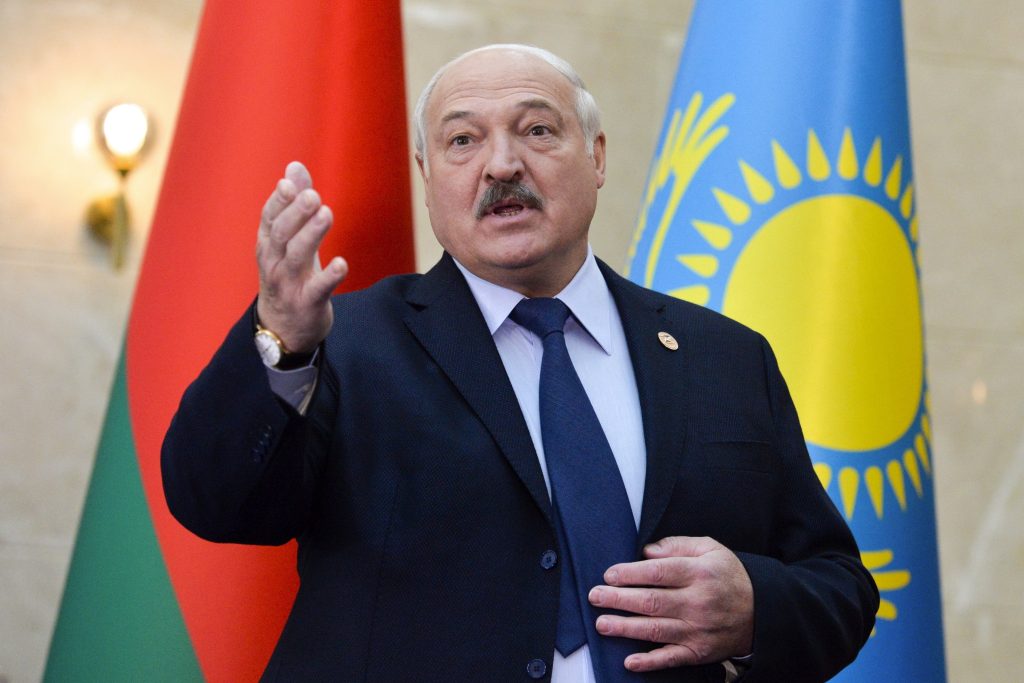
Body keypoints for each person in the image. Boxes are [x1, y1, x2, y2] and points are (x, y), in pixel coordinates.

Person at [162, 44, 878, 683]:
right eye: (463, 140)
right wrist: (280, 342)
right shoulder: (346, 343)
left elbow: (839, 584)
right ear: (427, 177)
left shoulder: (725, 356)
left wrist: (753, 607)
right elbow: (215, 501)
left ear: (597, 157)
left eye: (537, 130)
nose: (502, 165)